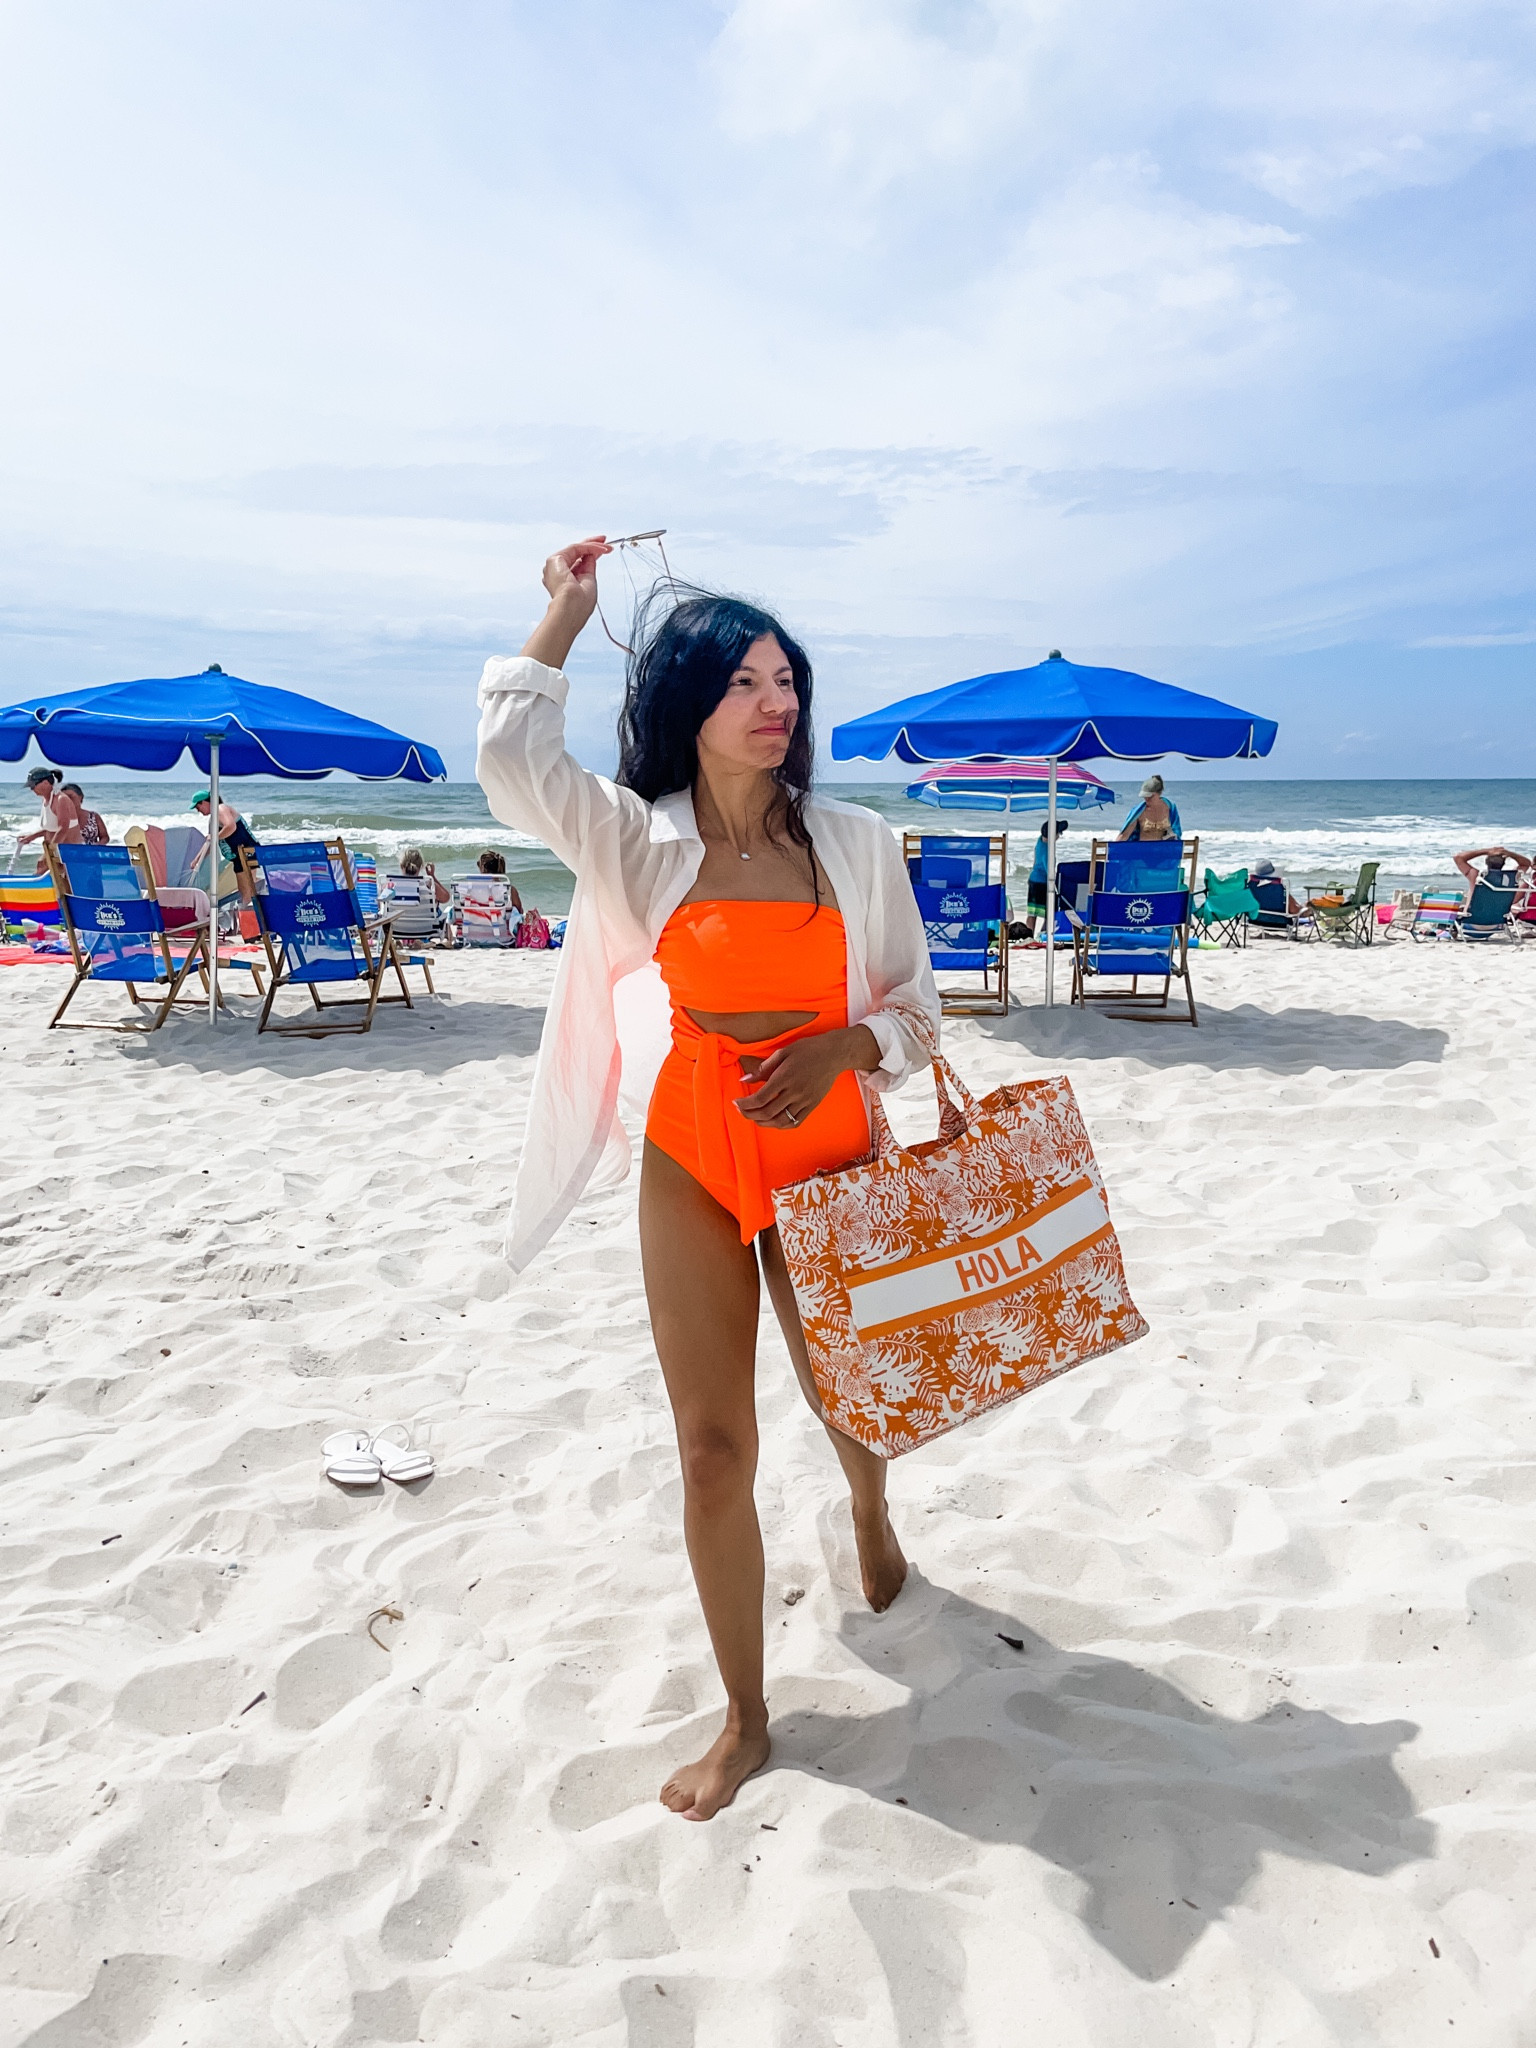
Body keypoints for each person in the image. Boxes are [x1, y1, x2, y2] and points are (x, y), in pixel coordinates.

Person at [476, 538, 939, 1822]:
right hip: (694, 1152)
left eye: (786, 676)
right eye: (743, 680)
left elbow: (918, 1005)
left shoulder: (855, 841)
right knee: (709, 1445)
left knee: (846, 1390)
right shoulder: (640, 839)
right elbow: (514, 764)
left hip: (831, 1149)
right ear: (693, 708)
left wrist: (853, 1042)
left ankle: (868, 1506)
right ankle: (746, 1715)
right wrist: (562, 619)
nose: (776, 699)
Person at [190, 789, 259, 902]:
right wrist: (197, 860)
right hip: (238, 857)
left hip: (247, 853)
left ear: (205, 802)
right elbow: (210, 844)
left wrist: (215, 837)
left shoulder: (220, 809)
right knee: (244, 891)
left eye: (198, 807)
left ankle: (251, 915)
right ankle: (248, 912)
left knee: (247, 893)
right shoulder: (213, 819)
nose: (198, 811)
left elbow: (231, 826)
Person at [16, 768, 82, 870]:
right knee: (39, 869)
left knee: (40, 871)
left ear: (46, 783)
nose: (31, 789)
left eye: (33, 785)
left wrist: (49, 855)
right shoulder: (46, 800)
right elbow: (51, 828)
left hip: (68, 857)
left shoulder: (61, 799)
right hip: (57, 852)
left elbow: (63, 829)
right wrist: (31, 836)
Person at [1023, 818, 1069, 939]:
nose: (1059, 835)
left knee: (1032, 912)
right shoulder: (1047, 851)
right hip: (1042, 883)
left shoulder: (1040, 842)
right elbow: (1050, 872)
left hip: (1033, 880)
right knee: (1049, 912)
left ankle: (1029, 936)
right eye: (1059, 833)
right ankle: (1042, 934)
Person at [1453, 846, 1530, 903]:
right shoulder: (1511, 877)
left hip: (1473, 922)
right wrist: (1510, 854)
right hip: (1498, 923)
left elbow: (1458, 857)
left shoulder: (1476, 876)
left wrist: (1486, 851)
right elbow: (1526, 864)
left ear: (1486, 862)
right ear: (1504, 863)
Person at [1118, 774, 1181, 842]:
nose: (1147, 799)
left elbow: (1176, 831)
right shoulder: (1138, 812)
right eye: (1145, 796)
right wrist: (1113, 849)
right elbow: (1124, 835)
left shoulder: (1170, 808)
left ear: (1159, 793)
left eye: (1150, 796)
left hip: (1163, 851)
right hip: (1144, 850)